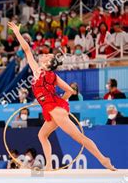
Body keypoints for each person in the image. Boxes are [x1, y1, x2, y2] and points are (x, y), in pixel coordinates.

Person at [8, 21, 115, 171]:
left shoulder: (39, 72)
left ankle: (104, 160)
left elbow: (26, 50)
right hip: (55, 109)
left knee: (79, 138)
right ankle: (49, 166)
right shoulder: (52, 75)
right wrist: (59, 103)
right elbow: (71, 91)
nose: (43, 55)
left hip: (55, 110)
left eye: (46, 56)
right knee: (42, 135)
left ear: (48, 63)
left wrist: (17, 32)